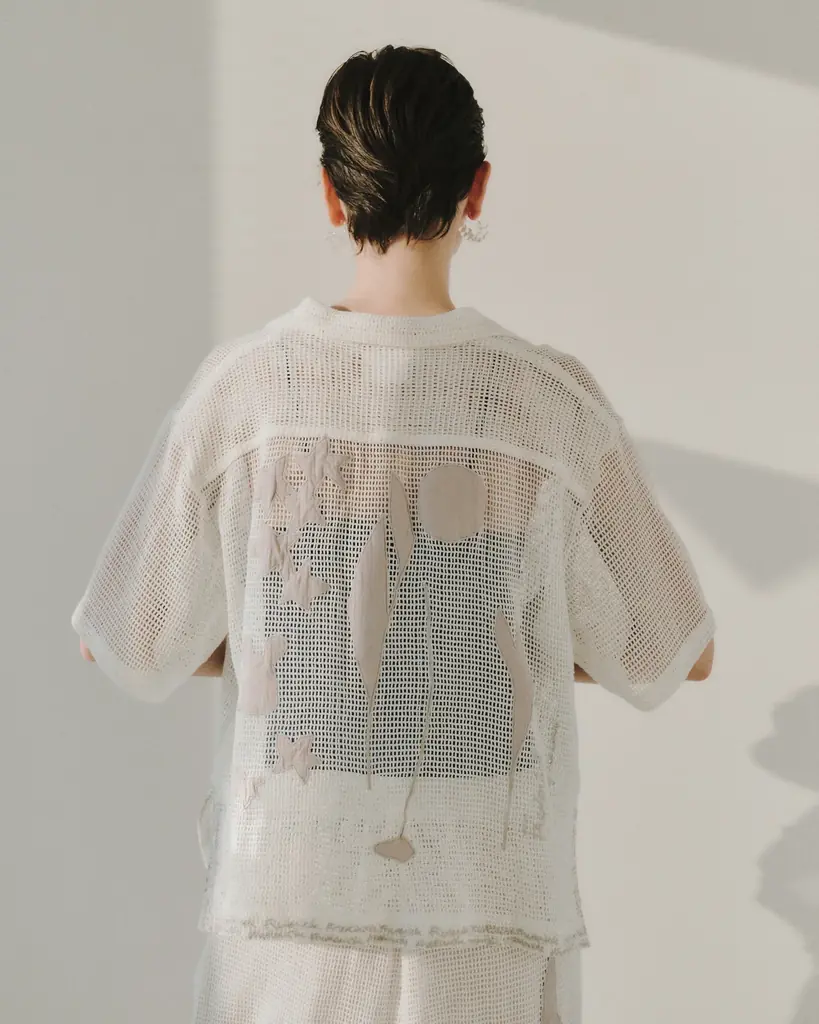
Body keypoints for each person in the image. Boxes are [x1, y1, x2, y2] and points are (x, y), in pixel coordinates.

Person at [73, 45, 715, 1024]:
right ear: (476, 188)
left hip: (292, 902)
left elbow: (125, 633)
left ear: (332, 195)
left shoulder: (249, 392)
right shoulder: (547, 403)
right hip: (486, 901)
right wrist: (490, 643)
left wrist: (299, 640)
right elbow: (676, 647)